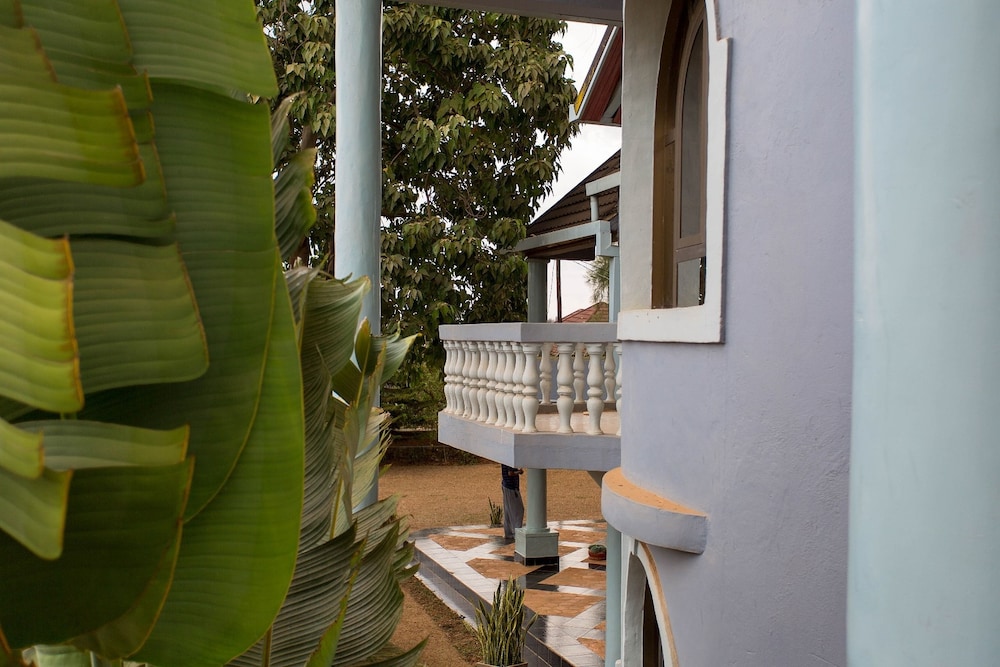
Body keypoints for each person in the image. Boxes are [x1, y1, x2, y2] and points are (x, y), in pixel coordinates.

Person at [501, 464, 524, 540]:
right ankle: (516, 532)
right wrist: (519, 472)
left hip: (506, 485)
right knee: (518, 510)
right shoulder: (510, 461)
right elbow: (510, 473)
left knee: (508, 510)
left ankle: (509, 532)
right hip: (511, 487)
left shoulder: (505, 459)